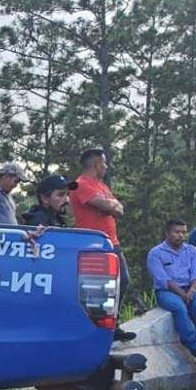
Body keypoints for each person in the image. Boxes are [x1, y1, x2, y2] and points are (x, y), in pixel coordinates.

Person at [20, 174, 80, 390]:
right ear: (45, 197)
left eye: (67, 194)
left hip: (53, 295)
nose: (65, 199)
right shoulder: (38, 222)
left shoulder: (55, 220)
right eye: (60, 194)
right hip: (42, 298)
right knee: (54, 352)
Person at [70, 147, 134, 342]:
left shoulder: (102, 186)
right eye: (104, 163)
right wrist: (109, 206)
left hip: (112, 241)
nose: (106, 167)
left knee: (123, 281)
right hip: (94, 243)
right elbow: (109, 206)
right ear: (96, 164)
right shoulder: (81, 184)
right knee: (99, 288)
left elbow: (119, 208)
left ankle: (113, 324)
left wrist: (111, 205)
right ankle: (98, 326)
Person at [147, 220, 196, 364]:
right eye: (176, 232)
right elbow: (163, 279)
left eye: (183, 232)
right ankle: (194, 347)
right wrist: (182, 294)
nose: (180, 235)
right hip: (167, 291)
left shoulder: (192, 250)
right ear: (167, 233)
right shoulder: (156, 253)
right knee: (179, 308)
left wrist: (192, 290)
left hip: (190, 288)